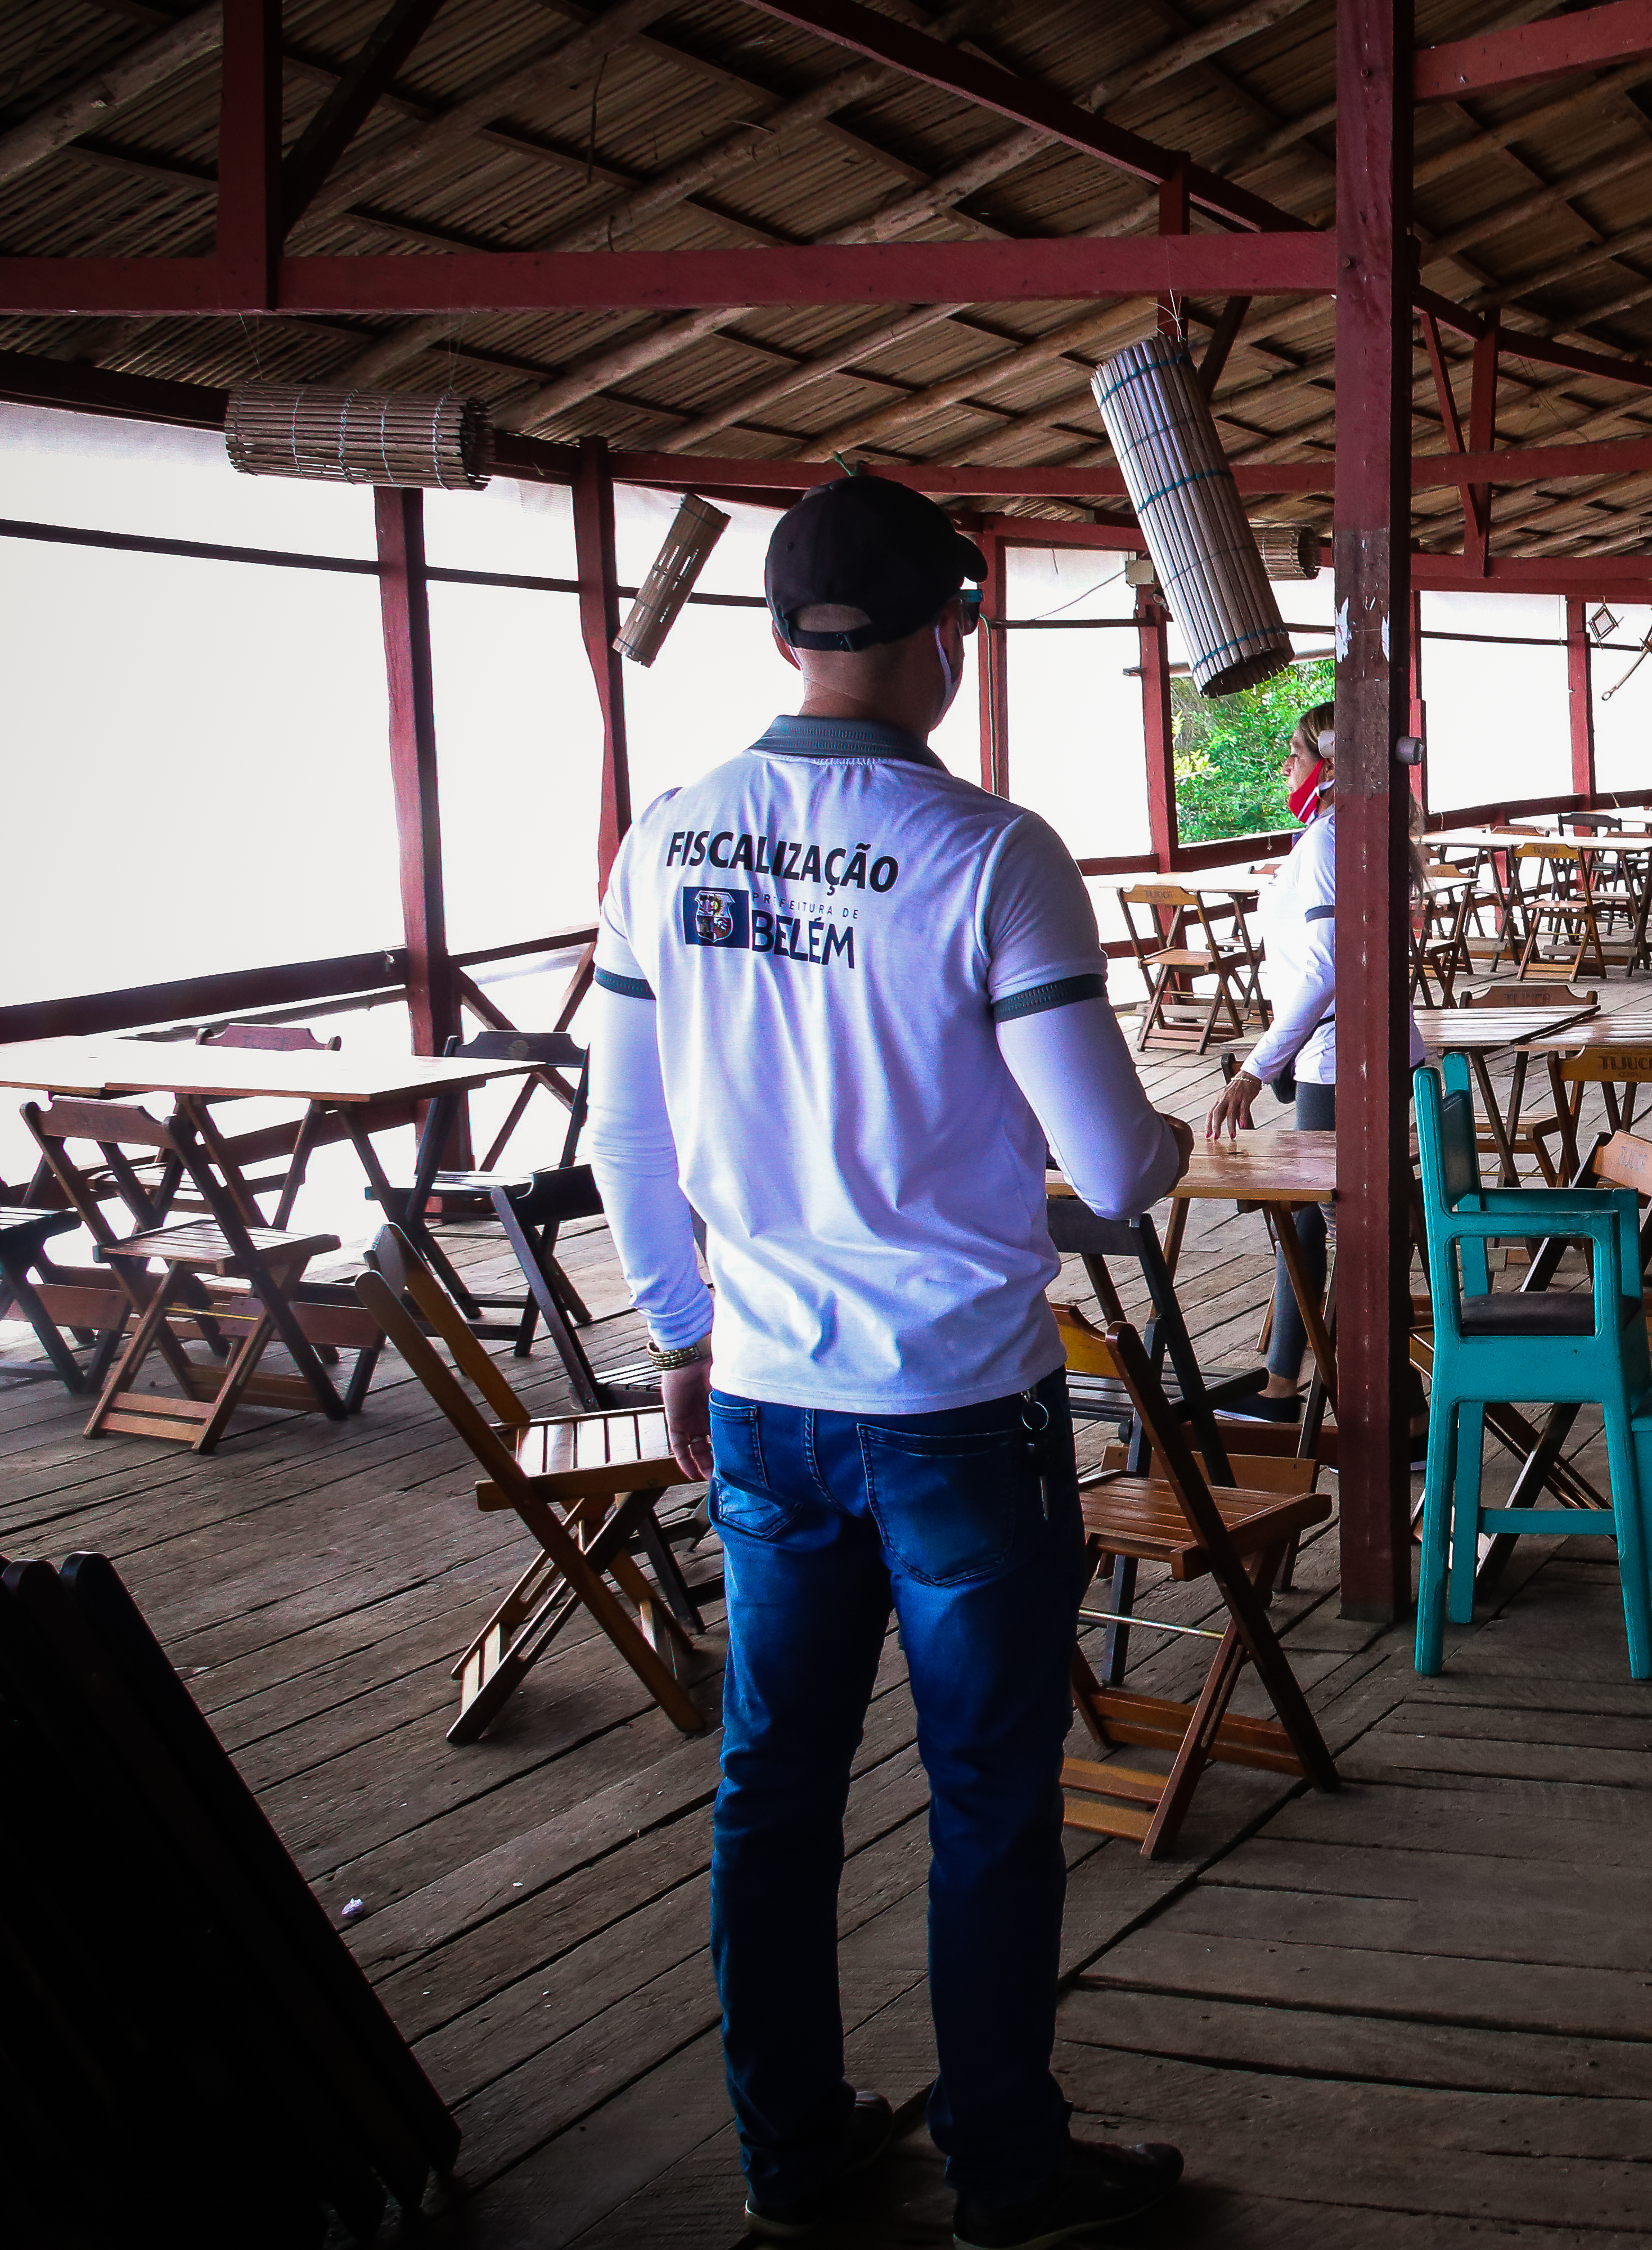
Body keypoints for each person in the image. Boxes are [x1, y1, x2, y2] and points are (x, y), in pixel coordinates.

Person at [587, 470, 1198, 2249]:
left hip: (766, 1398)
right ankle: (1002, 2172)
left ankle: (792, 2162)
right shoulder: (988, 853)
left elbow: (627, 1139)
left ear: (781, 634)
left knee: (770, 1790)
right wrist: (1154, 1146)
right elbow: (1104, 1156)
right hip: (950, 1409)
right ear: (948, 631)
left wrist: (683, 1337)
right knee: (988, 1797)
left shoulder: (665, 837)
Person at [1203, 704, 1424, 1396]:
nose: (1285, 767)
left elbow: (1327, 969)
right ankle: (1281, 1381)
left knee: (1352, 1231)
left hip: (1342, 1061)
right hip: (1344, 1055)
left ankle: (1396, 1402)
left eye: (1294, 753)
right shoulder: (1344, 834)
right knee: (1307, 1215)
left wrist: (1252, 1069)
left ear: (1329, 762)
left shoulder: (1333, 840)